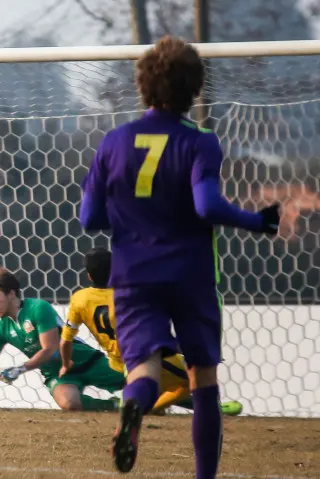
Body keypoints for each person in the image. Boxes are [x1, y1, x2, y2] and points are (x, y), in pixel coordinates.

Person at [80, 35, 280, 477]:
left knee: (145, 369)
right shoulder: (200, 141)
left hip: (133, 275)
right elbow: (206, 205)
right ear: (194, 89)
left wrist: (130, 216)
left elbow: (88, 218)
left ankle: (133, 407)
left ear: (142, 86)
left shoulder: (113, 142)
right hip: (190, 275)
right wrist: (256, 221)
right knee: (202, 378)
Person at [61, 248, 243, 416]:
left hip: (117, 362)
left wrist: (65, 363)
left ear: (89, 276)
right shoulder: (129, 293)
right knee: (194, 376)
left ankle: (144, 401)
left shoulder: (79, 299)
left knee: (165, 381)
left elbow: (66, 340)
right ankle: (147, 408)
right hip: (143, 356)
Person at [0, 268, 124, 412]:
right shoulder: (4, 328)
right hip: (58, 375)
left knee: (138, 383)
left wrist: (20, 369)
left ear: (11, 293)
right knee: (70, 404)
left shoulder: (38, 308)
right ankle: (116, 406)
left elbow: (50, 349)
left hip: (86, 361)